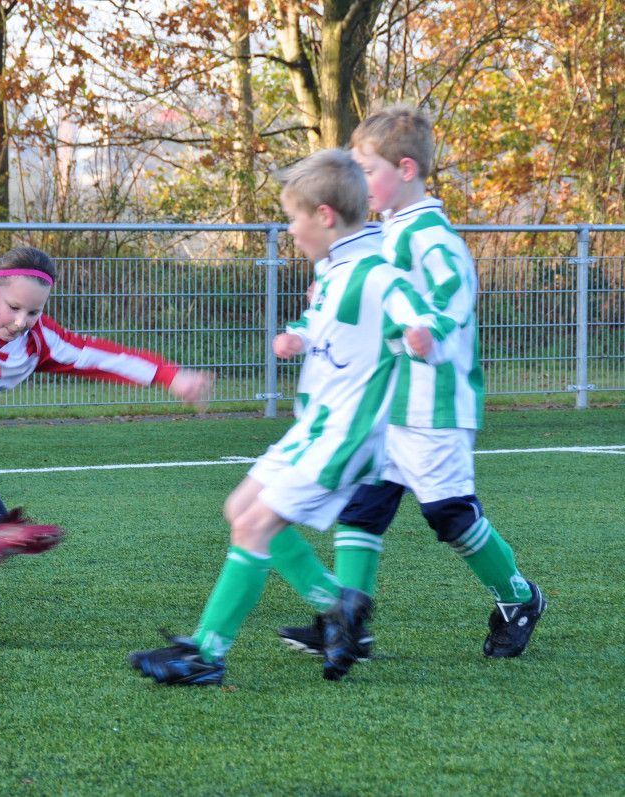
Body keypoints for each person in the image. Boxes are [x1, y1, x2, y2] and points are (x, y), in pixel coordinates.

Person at [130, 148, 446, 685]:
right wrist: (298, 335)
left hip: (345, 436)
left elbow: (415, 314)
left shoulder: (374, 272)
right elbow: (325, 322)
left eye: (294, 218)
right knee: (239, 508)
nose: (291, 231)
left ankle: (207, 654)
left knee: (254, 525)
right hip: (312, 429)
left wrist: (421, 336)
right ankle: (339, 610)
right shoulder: (334, 269)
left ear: (324, 215)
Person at [0, 162, 216, 631]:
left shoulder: (39, 342)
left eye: (33, 312)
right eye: (13, 307)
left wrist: (170, 376)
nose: (20, 321)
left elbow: (101, 357)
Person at [275, 106, 546, 661]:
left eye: (366, 170)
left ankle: (518, 597)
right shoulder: (379, 234)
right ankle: (348, 625)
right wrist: (311, 320)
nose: (359, 181)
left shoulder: (429, 234)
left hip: (432, 401)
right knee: (362, 507)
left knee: (449, 514)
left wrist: (430, 328)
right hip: (382, 401)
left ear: (404, 169)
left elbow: (454, 291)